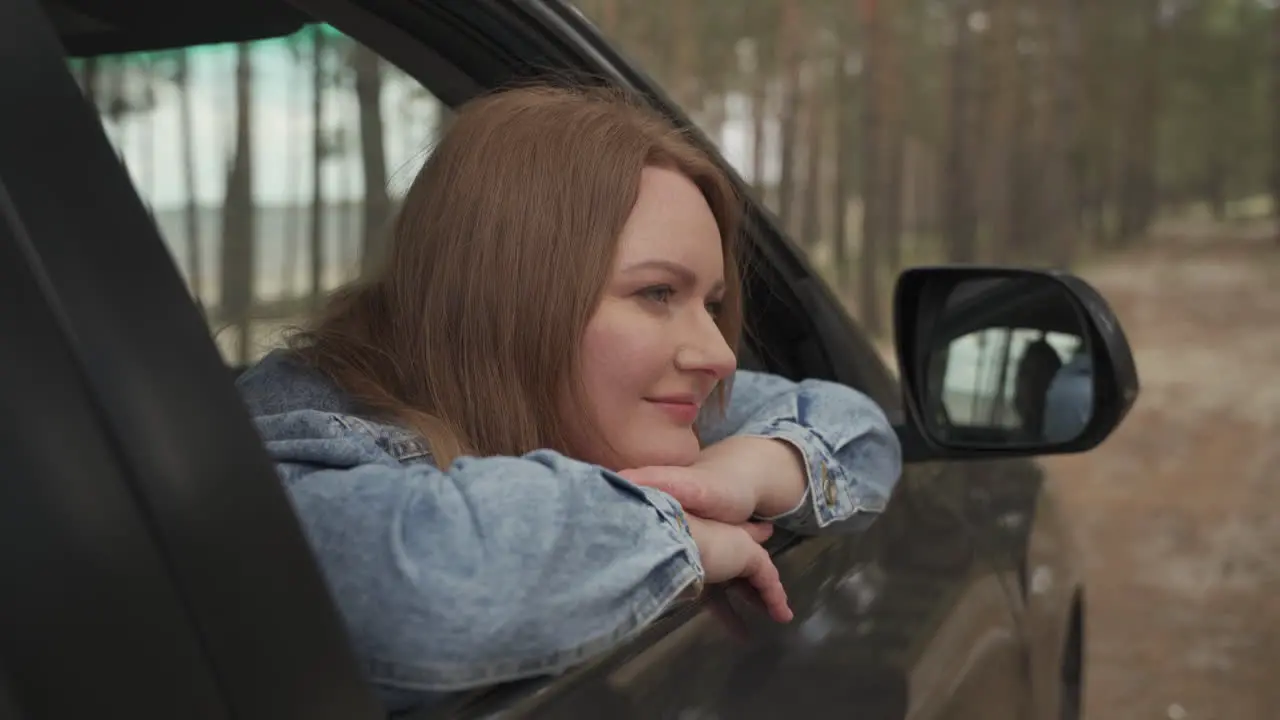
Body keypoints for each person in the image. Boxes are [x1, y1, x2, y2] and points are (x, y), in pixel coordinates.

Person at [235, 84, 902, 712]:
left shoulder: (606, 399)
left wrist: (745, 472)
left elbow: (861, 432)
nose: (720, 355)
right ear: (513, 299)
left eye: (714, 303)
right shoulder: (305, 440)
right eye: (657, 293)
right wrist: (678, 535)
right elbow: (422, 592)